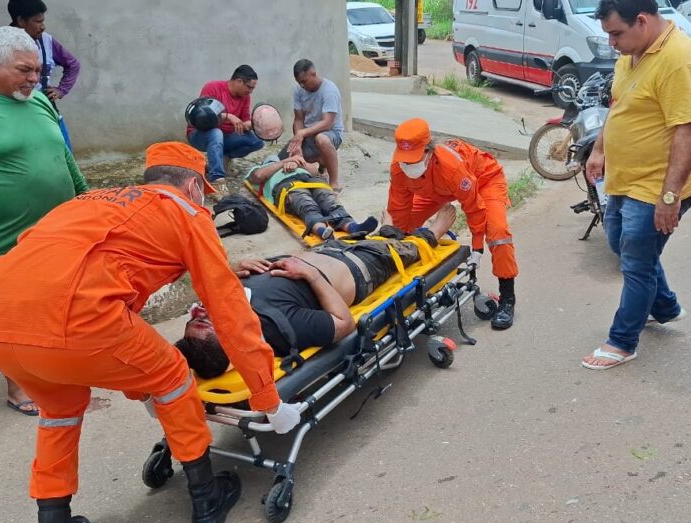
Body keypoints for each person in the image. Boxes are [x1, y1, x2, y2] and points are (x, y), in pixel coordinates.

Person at [0, 142, 303, 523]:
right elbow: (230, 310)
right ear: (193, 186)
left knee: (59, 412)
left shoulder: (89, 202)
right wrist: (267, 398)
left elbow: (75, 263)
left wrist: (137, 387)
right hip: (73, 316)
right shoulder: (186, 212)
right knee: (172, 376)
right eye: (203, 192)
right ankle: (206, 499)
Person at [0, 26, 88, 416]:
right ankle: (19, 386)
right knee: (10, 313)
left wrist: (87, 199)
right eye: (24, 70)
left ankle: (54, 367)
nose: (34, 78)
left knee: (53, 303)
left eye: (37, 70)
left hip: (55, 231)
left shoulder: (40, 101)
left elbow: (63, 155)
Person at [176, 205, 458, 376]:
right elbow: (344, 324)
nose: (201, 310)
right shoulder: (282, 327)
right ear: (233, 340)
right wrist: (311, 275)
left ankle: (386, 231)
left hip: (326, 250)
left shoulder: (223, 301)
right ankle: (432, 232)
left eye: (195, 318)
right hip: (362, 266)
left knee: (370, 238)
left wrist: (235, 269)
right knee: (406, 249)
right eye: (206, 321)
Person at [580, 0, 691, 370]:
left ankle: (622, 342)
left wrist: (669, 196)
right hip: (624, 178)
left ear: (642, 20)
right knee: (620, 243)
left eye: (616, 34)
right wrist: (599, 150)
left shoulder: (679, 59)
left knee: (636, 263)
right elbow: (618, 107)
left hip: (656, 187)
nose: (611, 43)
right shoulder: (632, 52)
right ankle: (664, 306)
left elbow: (688, 129)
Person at [387, 118, 518, 330]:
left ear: (429, 151)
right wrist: (394, 240)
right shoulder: (399, 167)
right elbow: (399, 210)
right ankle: (408, 287)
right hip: (436, 189)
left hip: (483, 180)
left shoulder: (451, 166)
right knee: (404, 229)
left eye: (414, 160)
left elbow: (473, 206)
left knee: (498, 233)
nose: (408, 165)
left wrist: (477, 247)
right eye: (405, 160)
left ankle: (507, 298)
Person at [0, 0, 81, 101]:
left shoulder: (47, 41)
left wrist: (61, 90)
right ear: (21, 20)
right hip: (5, 108)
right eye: (38, 21)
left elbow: (73, 65)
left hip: (38, 107)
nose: (43, 27)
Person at [247, 153, 378, 239]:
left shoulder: (294, 162)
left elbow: (315, 171)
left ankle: (352, 227)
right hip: (286, 185)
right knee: (305, 203)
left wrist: (297, 163)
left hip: (309, 179)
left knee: (328, 199)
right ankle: (321, 230)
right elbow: (258, 176)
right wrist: (283, 163)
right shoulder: (259, 169)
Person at [187, 65, 265, 196]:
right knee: (216, 133)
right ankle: (217, 180)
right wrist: (228, 116)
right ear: (239, 81)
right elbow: (202, 117)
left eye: (253, 88)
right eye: (249, 87)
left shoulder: (245, 97)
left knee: (257, 141)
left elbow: (245, 119)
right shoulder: (212, 87)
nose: (251, 92)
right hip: (200, 134)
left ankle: (221, 161)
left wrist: (254, 123)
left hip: (226, 136)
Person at [278, 59, 345, 191]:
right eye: (299, 82)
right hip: (308, 136)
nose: (302, 85)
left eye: (304, 81)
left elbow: (327, 123)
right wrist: (298, 141)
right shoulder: (298, 90)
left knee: (321, 139)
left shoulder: (329, 91)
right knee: (280, 163)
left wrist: (302, 133)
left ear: (313, 74)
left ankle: (335, 183)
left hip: (331, 134)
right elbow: (298, 119)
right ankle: (321, 161)